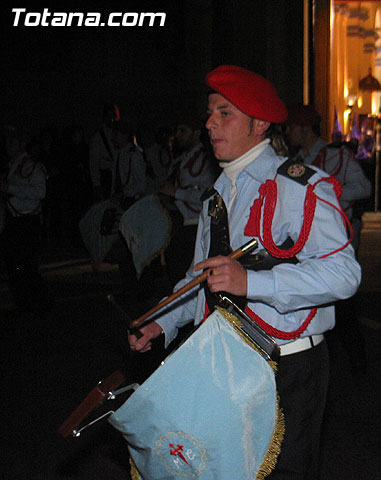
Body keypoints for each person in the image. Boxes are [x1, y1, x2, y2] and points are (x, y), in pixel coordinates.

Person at [128, 65, 361, 479]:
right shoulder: (218, 193)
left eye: (224, 113)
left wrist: (252, 282)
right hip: (226, 364)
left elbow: (344, 274)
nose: (209, 123)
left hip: (286, 367)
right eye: (210, 112)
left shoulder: (299, 187)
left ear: (259, 124)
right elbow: (199, 278)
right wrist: (160, 321)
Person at [285, 104, 371, 251]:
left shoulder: (337, 155)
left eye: (291, 127)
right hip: (304, 236)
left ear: (305, 129)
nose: (287, 132)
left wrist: (327, 192)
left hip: (337, 234)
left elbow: (364, 188)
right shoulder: (294, 160)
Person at [159, 115, 216, 287]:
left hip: (195, 223)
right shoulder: (183, 158)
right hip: (182, 222)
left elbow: (207, 196)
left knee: (186, 277)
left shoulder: (204, 159)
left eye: (183, 131)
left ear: (196, 133)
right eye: (177, 130)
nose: (178, 135)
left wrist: (176, 193)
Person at [1, 126, 49, 310]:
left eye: (11, 142)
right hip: (15, 220)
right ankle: (24, 302)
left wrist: (9, 189)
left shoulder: (32, 166)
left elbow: (40, 192)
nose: (7, 146)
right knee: (14, 264)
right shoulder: (12, 165)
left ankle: (39, 302)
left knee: (26, 266)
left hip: (28, 222)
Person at [89, 103, 120, 201]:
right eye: (108, 116)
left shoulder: (121, 135)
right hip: (106, 178)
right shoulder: (98, 137)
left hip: (119, 177)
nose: (111, 119)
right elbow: (94, 162)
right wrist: (96, 184)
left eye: (113, 116)